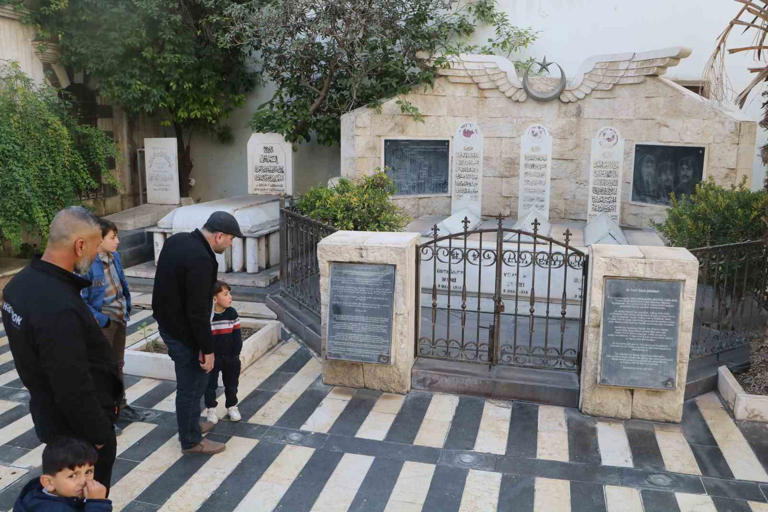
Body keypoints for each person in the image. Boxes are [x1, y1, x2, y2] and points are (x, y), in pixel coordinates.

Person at [1, 207, 122, 490]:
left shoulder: (19, 285)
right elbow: (72, 382)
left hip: (50, 416)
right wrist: (99, 434)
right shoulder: (58, 305)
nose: (95, 255)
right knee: (85, 498)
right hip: (78, 432)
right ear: (80, 246)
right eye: (94, 247)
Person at [152, 211, 243, 455]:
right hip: (184, 332)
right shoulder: (202, 258)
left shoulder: (178, 240)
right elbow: (198, 310)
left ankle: (191, 425)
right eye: (231, 239)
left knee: (192, 381)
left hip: (169, 323)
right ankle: (191, 441)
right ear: (219, 236)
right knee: (193, 383)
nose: (231, 244)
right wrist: (207, 349)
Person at [80, 219, 145, 430]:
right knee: (101, 370)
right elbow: (80, 300)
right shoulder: (87, 265)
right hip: (102, 324)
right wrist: (102, 320)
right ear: (99, 239)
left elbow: (121, 284)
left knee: (117, 366)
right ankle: (103, 415)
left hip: (119, 318)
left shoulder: (114, 257)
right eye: (112, 237)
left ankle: (120, 406)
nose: (117, 241)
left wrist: (126, 307)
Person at [14, 437, 111, 511]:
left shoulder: (46, 493)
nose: (83, 481)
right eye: (72, 475)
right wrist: (97, 504)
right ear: (48, 483)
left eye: (88, 472)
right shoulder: (51, 509)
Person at [204, 281, 243, 424]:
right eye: (225, 294)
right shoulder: (208, 316)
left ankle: (232, 406)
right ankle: (211, 409)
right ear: (214, 298)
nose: (230, 297)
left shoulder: (232, 313)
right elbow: (204, 338)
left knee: (232, 383)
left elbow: (237, 337)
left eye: (229, 294)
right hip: (212, 358)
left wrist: (235, 355)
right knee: (210, 385)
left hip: (231, 358)